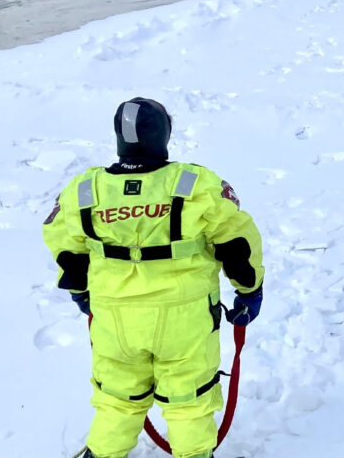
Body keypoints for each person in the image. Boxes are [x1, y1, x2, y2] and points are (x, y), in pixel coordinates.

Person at [43, 98, 264, 458]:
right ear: (163, 135)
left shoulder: (83, 191)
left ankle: (100, 454)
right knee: (188, 400)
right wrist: (249, 291)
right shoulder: (195, 184)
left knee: (116, 397)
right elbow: (237, 240)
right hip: (185, 318)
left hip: (114, 320)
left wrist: (81, 292)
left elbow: (64, 245)